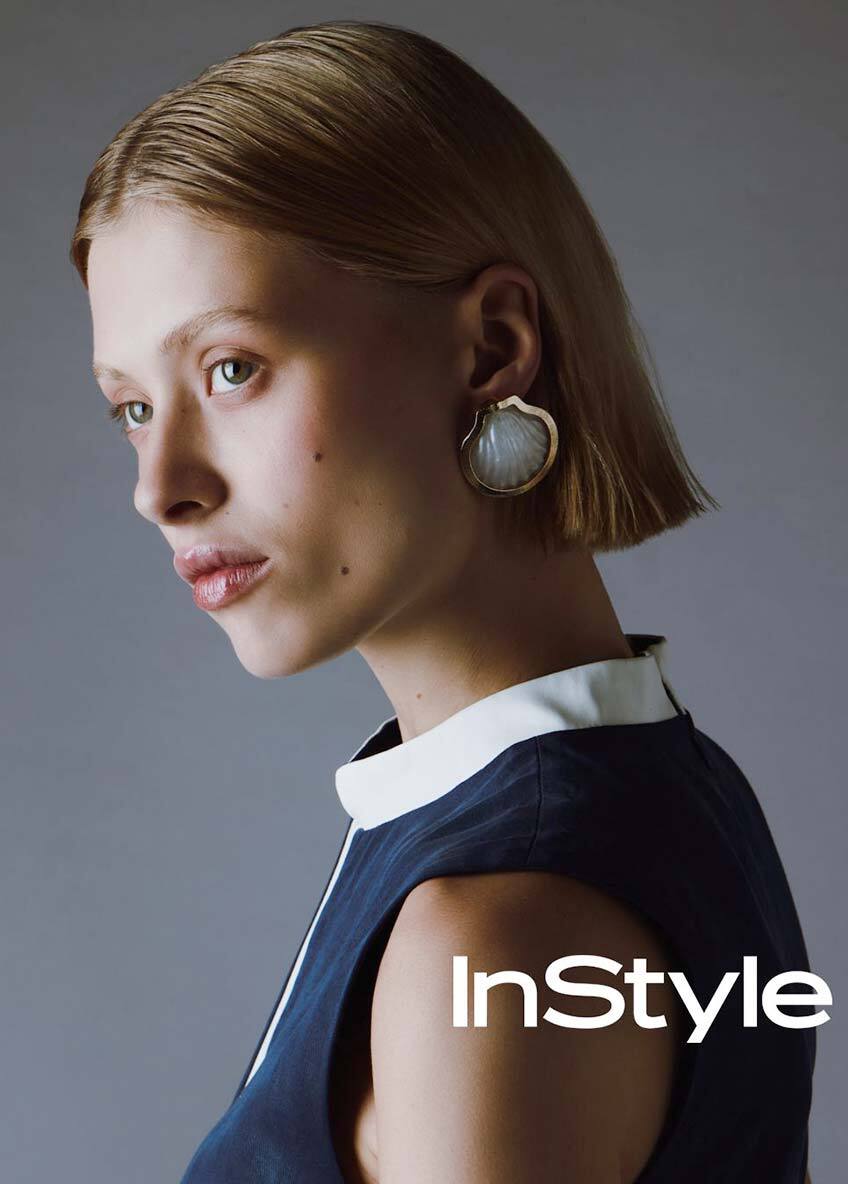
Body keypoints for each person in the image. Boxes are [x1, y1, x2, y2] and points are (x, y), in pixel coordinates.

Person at [71, 18, 818, 1184]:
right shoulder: (644, 786)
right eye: (132, 406)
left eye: (231, 368)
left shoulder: (504, 924)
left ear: (490, 348)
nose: (159, 486)